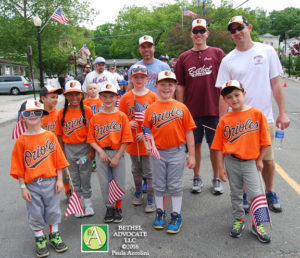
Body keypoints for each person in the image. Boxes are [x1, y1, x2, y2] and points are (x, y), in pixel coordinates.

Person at [215, 15, 290, 212]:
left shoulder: (266, 51)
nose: (237, 32)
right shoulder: (227, 60)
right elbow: (222, 94)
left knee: (268, 161)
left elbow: (275, 83)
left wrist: (282, 112)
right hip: (238, 123)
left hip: (264, 118)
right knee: (244, 161)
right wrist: (222, 122)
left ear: (249, 27)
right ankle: (249, 195)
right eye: (233, 30)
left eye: (240, 27)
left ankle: (269, 192)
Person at [211, 80, 272, 243]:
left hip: (250, 161)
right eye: (229, 97)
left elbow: (265, 140)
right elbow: (217, 147)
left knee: (255, 194)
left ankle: (257, 224)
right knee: (236, 193)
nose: (234, 99)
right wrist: (220, 168)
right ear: (225, 100)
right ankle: (239, 219)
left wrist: (259, 160)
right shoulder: (225, 120)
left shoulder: (256, 114)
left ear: (244, 94)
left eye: (237, 95)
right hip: (231, 161)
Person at [10, 99, 69, 257]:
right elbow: (18, 168)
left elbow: (59, 161)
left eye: (37, 112)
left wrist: (59, 180)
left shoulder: (50, 136)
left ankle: (54, 235)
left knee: (53, 210)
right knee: (35, 212)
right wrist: (23, 187)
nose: (33, 116)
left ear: (42, 116)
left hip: (51, 181)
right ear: (23, 117)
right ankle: (39, 237)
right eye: (28, 113)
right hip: (32, 184)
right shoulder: (21, 141)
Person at [174, 18, 226, 195]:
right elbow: (180, 84)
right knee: (194, 146)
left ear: (207, 33)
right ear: (191, 34)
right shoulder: (183, 57)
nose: (198, 34)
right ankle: (196, 177)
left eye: (201, 31)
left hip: (214, 109)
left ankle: (216, 177)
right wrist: (181, 108)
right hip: (192, 111)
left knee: (214, 146)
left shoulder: (217, 53)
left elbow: (226, 82)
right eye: (195, 31)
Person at [143, 71, 196, 234]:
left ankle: (176, 215)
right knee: (158, 184)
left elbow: (189, 132)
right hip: (158, 151)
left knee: (175, 184)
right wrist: (147, 145)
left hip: (177, 151)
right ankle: (160, 212)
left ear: (175, 87)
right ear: (157, 86)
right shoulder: (151, 109)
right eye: (163, 84)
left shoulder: (181, 107)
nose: (166, 88)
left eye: (170, 84)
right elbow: (146, 130)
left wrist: (192, 155)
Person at [87, 83, 133, 223]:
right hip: (102, 153)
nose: (108, 99)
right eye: (105, 96)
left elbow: (126, 139)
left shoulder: (121, 116)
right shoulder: (95, 117)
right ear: (100, 97)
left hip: (117, 152)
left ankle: (118, 207)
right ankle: (109, 206)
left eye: (111, 96)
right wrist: (100, 152)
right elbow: (91, 139)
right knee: (104, 182)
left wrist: (118, 156)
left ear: (116, 97)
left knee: (118, 181)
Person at [119, 65, 158, 213]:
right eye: (136, 77)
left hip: (147, 141)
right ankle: (137, 191)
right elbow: (120, 119)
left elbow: (156, 120)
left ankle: (150, 197)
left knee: (148, 171)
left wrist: (145, 133)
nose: (139, 79)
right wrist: (128, 123)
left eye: (142, 77)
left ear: (147, 78)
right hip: (133, 140)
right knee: (136, 169)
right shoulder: (126, 97)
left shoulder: (153, 96)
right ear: (131, 78)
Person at [55, 80, 95, 217]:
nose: (74, 98)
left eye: (77, 94)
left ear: (82, 95)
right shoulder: (61, 113)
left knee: (85, 176)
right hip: (69, 150)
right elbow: (59, 135)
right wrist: (62, 153)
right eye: (70, 95)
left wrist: (92, 150)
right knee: (74, 178)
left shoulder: (88, 111)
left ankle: (88, 202)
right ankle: (77, 203)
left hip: (84, 148)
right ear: (66, 96)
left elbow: (93, 133)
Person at [40, 85, 72, 201]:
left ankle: (68, 191)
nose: (55, 100)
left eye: (56, 97)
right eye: (52, 97)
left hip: (58, 149)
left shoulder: (59, 114)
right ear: (43, 99)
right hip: (44, 151)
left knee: (65, 174)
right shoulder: (38, 115)